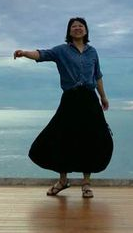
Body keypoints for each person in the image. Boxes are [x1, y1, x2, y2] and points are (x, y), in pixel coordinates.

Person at [13, 17, 113, 198]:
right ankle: (63, 180)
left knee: (91, 139)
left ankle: (86, 183)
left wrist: (103, 97)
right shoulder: (61, 50)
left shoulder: (93, 52)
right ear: (69, 31)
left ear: (86, 30)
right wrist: (24, 53)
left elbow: (97, 75)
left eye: (81, 26)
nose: (78, 28)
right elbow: (42, 54)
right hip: (70, 99)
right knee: (63, 138)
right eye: (74, 26)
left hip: (89, 99)